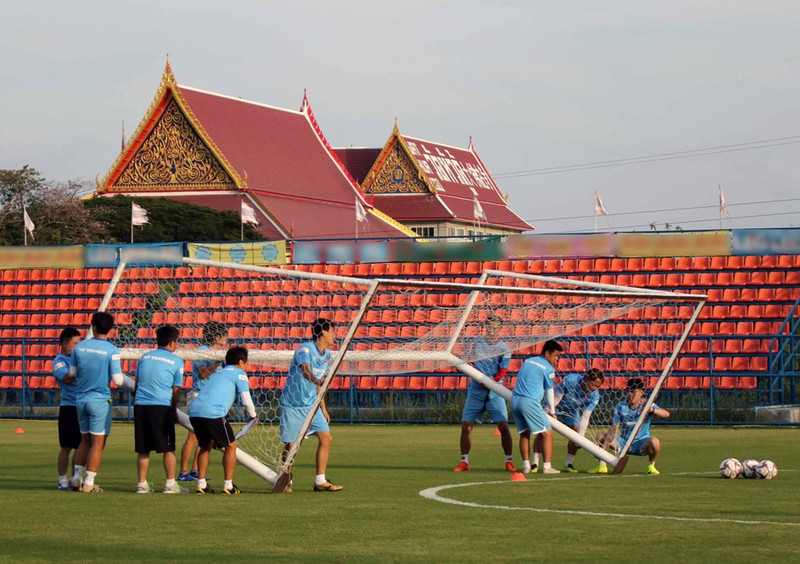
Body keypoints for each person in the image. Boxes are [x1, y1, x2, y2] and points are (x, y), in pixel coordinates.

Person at [280, 317, 342, 492]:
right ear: (323, 332)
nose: (334, 335)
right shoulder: (305, 349)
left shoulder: (327, 356)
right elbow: (306, 372)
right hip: (292, 404)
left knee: (326, 438)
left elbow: (318, 385)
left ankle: (320, 480)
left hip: (311, 406)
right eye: (332, 331)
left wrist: (323, 408)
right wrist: (318, 381)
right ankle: (286, 481)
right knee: (291, 445)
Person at [188, 345, 257, 495]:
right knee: (231, 446)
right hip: (213, 413)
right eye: (246, 362)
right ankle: (228, 486)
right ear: (241, 362)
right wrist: (253, 416)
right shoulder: (239, 374)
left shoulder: (217, 373)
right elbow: (246, 399)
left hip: (195, 411)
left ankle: (201, 485)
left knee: (205, 446)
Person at [69, 312, 124, 493]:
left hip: (80, 399)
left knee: (84, 441)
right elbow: (118, 379)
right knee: (98, 444)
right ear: (110, 329)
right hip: (99, 400)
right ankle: (89, 483)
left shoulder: (79, 348)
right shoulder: (112, 350)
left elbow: (73, 373)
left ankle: (76, 479)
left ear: (93, 327)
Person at [453, 315, 516, 472]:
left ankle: (509, 462)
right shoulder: (478, 342)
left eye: (495, 327)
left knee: (503, 426)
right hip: (476, 390)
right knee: (466, 425)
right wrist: (463, 366)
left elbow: (503, 371)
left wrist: (490, 382)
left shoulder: (504, 348)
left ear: (500, 329)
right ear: (486, 328)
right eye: (489, 327)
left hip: (495, 390)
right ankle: (464, 462)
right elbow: (472, 361)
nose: (492, 330)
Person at [133, 325, 187, 494]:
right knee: (168, 447)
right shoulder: (176, 361)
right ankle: (170, 484)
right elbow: (176, 390)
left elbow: (136, 384)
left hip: (141, 405)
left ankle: (142, 484)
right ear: (172, 342)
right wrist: (174, 410)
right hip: (161, 407)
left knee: (143, 449)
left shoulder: (145, 357)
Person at [178, 321, 228, 482]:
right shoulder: (202, 351)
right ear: (217, 337)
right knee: (193, 435)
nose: (227, 340)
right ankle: (183, 472)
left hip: (211, 398)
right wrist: (218, 362)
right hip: (198, 396)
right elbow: (203, 374)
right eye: (225, 336)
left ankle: (195, 470)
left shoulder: (219, 353)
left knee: (206, 438)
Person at [590, 377, 670, 475]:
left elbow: (666, 414)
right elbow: (614, 428)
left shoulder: (647, 404)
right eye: (628, 391)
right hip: (623, 442)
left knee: (655, 442)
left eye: (633, 392)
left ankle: (651, 466)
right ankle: (602, 465)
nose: (630, 394)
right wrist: (603, 446)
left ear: (641, 392)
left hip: (640, 443)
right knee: (601, 436)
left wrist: (652, 410)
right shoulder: (620, 406)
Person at [532, 368, 604, 473]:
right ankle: (534, 463)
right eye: (594, 385)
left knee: (576, 433)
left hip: (571, 410)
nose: (595, 389)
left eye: (598, 387)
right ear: (586, 379)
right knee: (544, 432)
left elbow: (586, 416)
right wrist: (551, 412)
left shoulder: (595, 395)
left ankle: (568, 464)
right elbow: (556, 397)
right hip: (554, 404)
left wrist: (581, 437)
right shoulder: (571, 380)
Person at [511, 339, 563, 475]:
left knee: (524, 434)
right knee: (547, 433)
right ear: (547, 353)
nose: (557, 359)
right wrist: (552, 411)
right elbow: (549, 391)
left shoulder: (528, 361)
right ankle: (547, 467)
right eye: (556, 355)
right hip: (529, 402)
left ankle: (526, 466)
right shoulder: (548, 368)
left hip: (515, 400)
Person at [52, 327, 81, 491]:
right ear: (64, 343)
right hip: (68, 407)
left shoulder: (78, 359)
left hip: (82, 406)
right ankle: (62, 480)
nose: (77, 347)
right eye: (75, 343)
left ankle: (74, 479)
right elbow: (67, 378)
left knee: (81, 446)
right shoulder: (59, 361)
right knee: (66, 446)